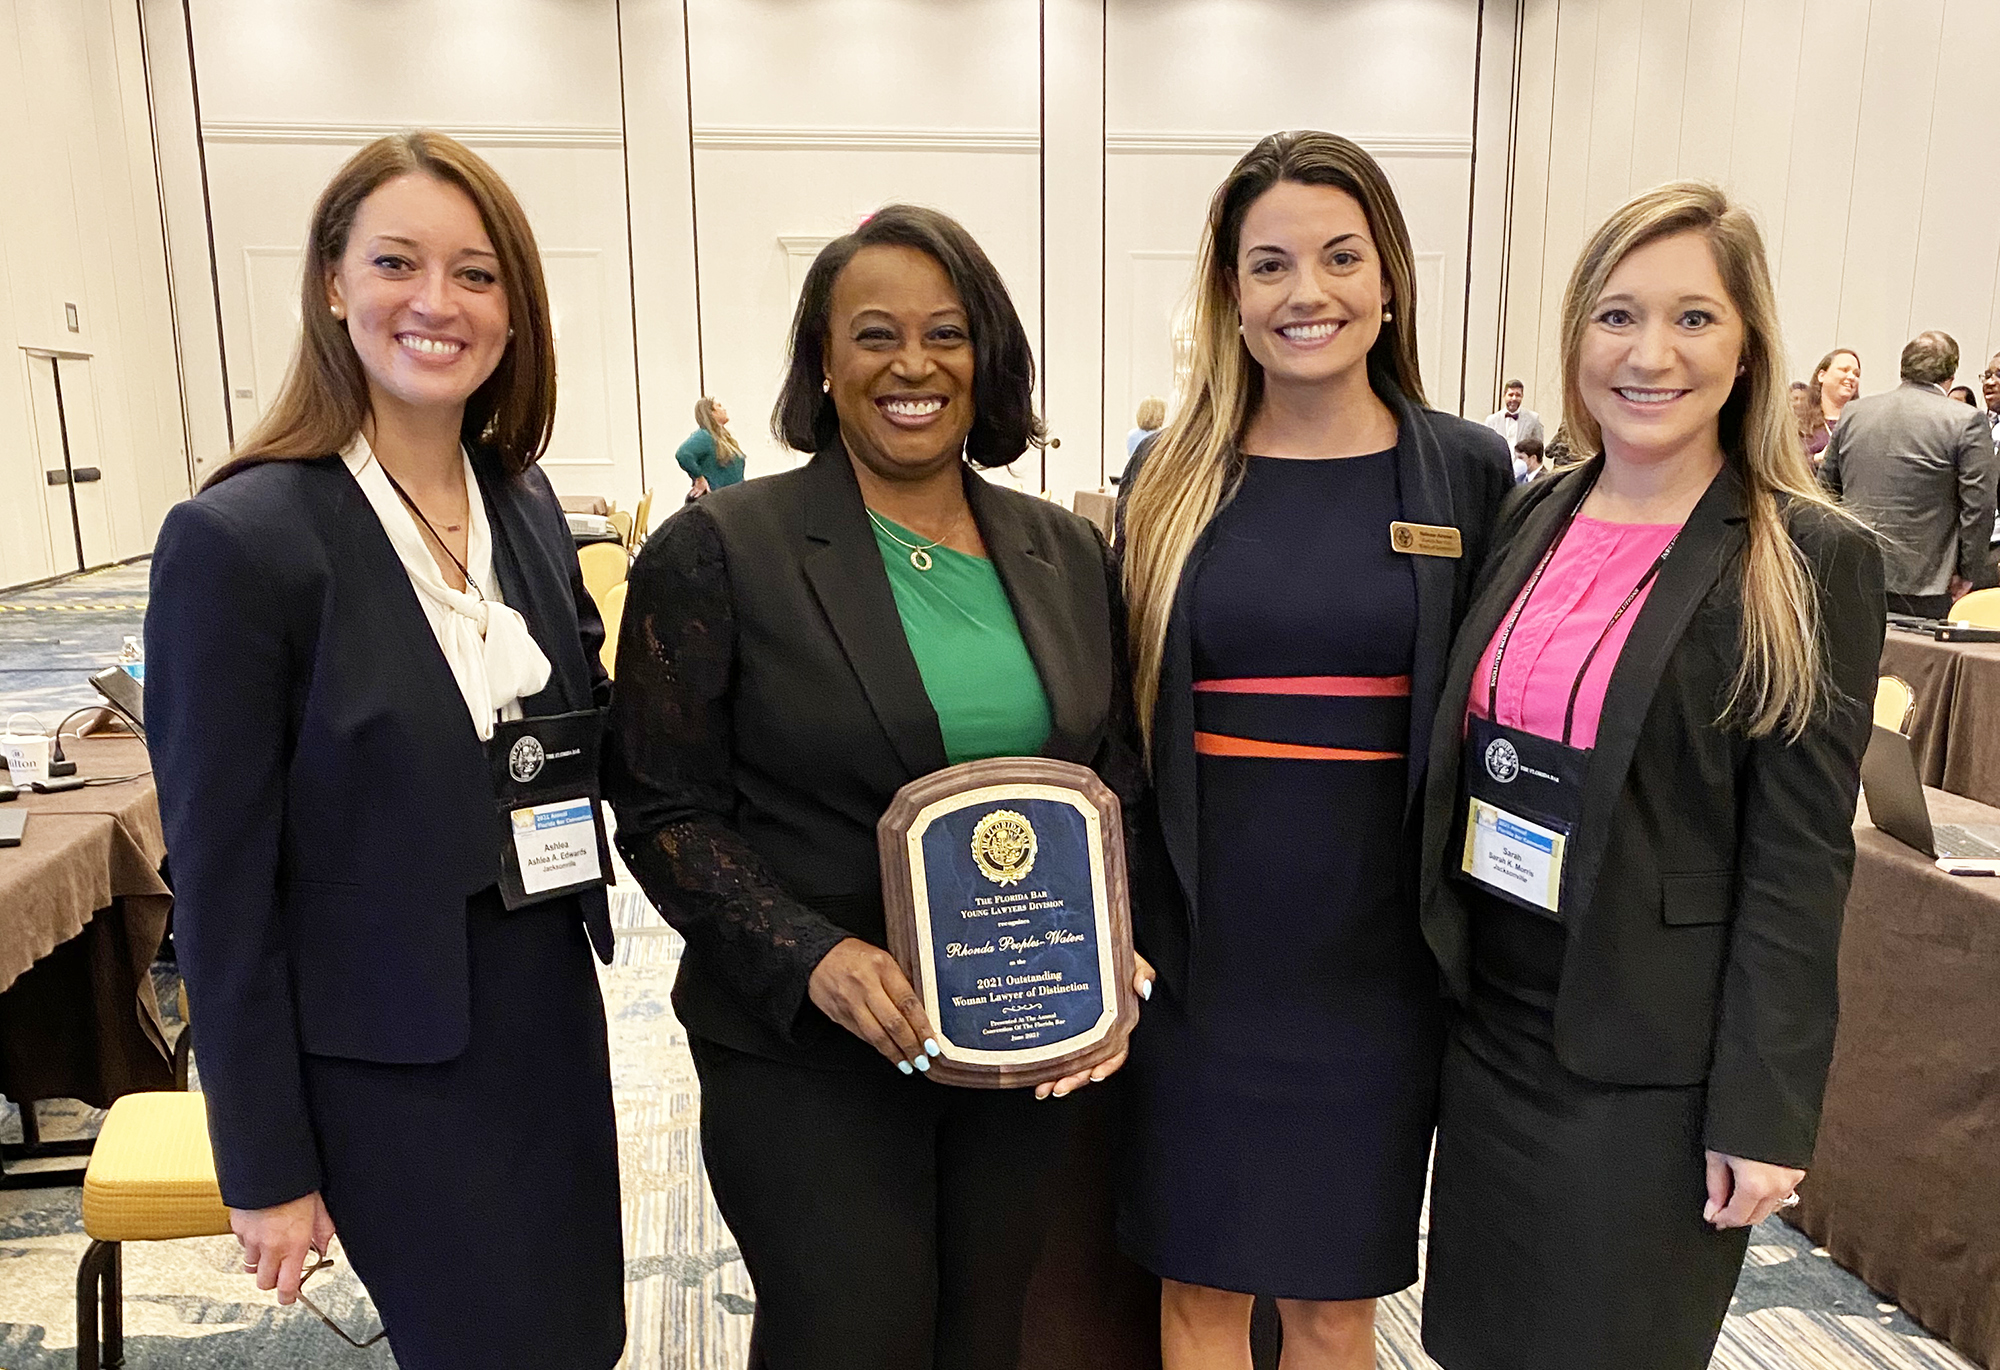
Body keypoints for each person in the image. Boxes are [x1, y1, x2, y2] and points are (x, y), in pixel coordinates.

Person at [605, 204, 1156, 1370]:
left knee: (984, 1332)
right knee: (851, 1334)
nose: (913, 364)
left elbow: (1108, 771)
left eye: (946, 333)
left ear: (986, 358)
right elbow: (662, 810)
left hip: (1016, 1031)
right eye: (874, 334)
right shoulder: (720, 550)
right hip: (812, 1048)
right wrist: (811, 954)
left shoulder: (1063, 551)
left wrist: (1105, 936)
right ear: (822, 360)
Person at [144, 132, 625, 1369]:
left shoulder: (520, 502)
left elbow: (592, 727)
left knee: (577, 1339)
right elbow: (220, 887)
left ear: (513, 308)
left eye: (476, 273)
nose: (436, 302)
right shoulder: (240, 541)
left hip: (546, 1021)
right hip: (385, 1066)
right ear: (330, 283)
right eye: (397, 262)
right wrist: (264, 1162)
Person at [1416, 181, 1884, 1370]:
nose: (1649, 353)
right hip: (1493, 1029)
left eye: (1692, 318)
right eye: (1617, 315)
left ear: (1746, 348)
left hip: (1648, 1068)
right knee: (1470, 1339)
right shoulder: (1535, 512)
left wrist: (1762, 1112)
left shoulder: (1803, 555)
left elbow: (1798, 860)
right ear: (1576, 335)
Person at [1114, 130, 1511, 1370]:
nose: (1308, 294)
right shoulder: (1169, 473)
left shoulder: (1464, 468)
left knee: (1339, 1300)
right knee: (1200, 1291)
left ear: (1387, 279)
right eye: (1270, 264)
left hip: (1379, 949)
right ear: (1230, 295)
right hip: (1198, 945)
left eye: (1340, 257)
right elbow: (1120, 721)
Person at [1820, 330, 1999, 617]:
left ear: (1903, 368)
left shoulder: (1854, 413)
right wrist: (1968, 571)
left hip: (1851, 576)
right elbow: (1979, 506)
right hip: (1926, 585)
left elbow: (1825, 493)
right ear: (1950, 374)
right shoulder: (1966, 421)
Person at [675, 394, 747, 497]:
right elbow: (683, 454)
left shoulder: (725, 438)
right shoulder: (705, 436)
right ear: (711, 413)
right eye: (719, 406)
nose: (724, 409)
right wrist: (699, 478)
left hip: (734, 498)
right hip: (718, 501)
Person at [1484, 378, 1545, 462]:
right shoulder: (1491, 420)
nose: (1514, 398)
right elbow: (1487, 449)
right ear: (1504, 396)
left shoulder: (1533, 419)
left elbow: (1539, 450)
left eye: (1518, 395)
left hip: (1524, 470)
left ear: (1522, 396)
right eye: (1510, 395)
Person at [1809, 346, 1861, 441]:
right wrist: (1815, 457)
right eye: (1844, 370)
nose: (1852, 377)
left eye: (1856, 374)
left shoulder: (1862, 425)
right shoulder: (1798, 423)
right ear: (1822, 376)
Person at [1787, 379, 1830, 462]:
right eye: (1795, 399)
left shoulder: (1819, 427)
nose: (1799, 403)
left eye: (1803, 399)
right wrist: (1815, 458)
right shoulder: (1781, 429)